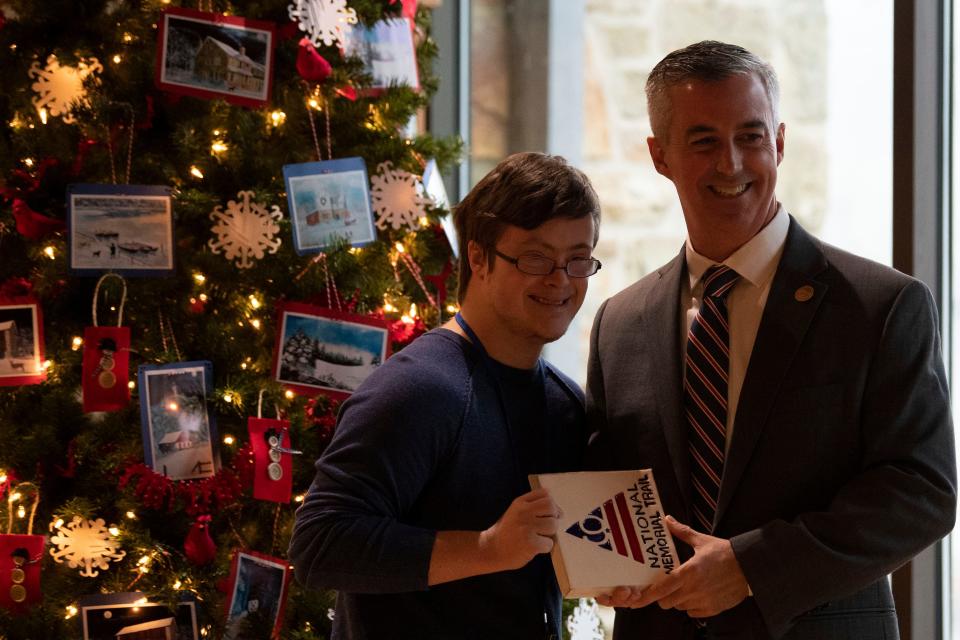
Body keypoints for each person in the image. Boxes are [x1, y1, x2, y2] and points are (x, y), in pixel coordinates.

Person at [586, 40, 956, 639]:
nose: (731, 163)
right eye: (703, 141)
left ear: (779, 143)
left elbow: (922, 492)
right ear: (659, 155)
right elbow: (613, 492)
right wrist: (604, 560)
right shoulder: (619, 324)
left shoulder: (880, 306)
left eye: (751, 137)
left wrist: (751, 567)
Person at [288, 151, 603, 639]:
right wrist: (487, 547)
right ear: (478, 257)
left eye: (578, 259)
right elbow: (319, 544)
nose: (560, 280)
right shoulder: (420, 388)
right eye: (536, 257)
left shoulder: (565, 405)